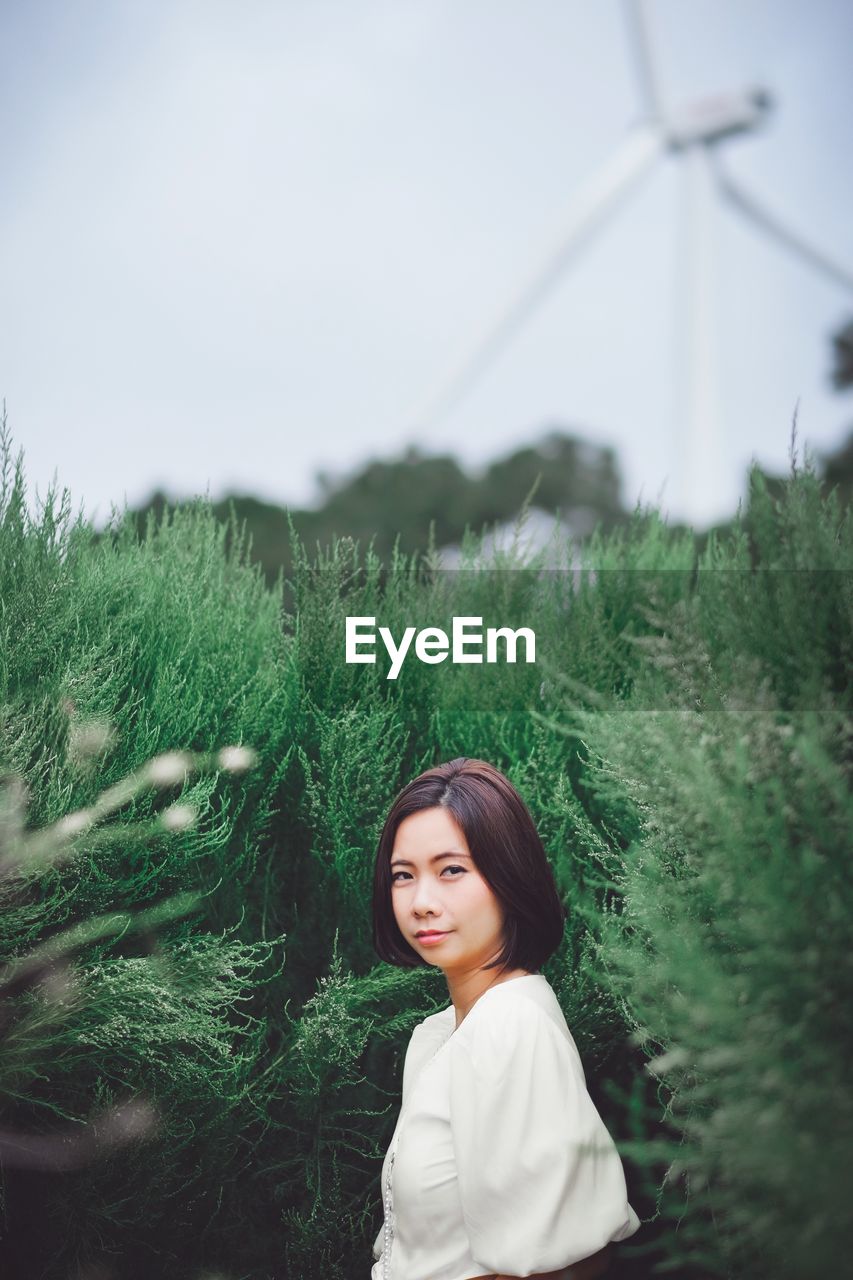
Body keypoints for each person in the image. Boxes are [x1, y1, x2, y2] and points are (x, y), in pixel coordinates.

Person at [370, 758, 641, 1280]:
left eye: (452, 870)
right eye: (403, 875)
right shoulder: (440, 1032)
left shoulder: (511, 1026)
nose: (422, 902)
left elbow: (571, 1263)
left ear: (507, 878)